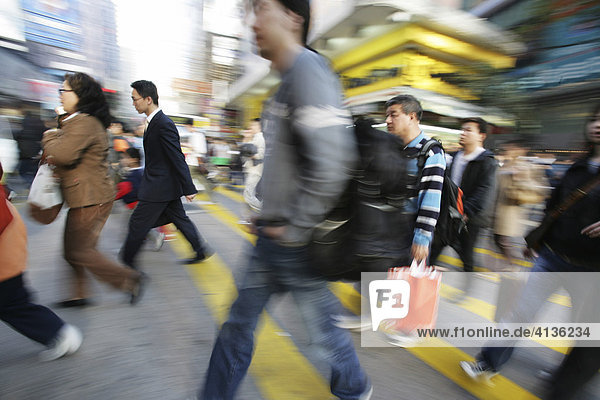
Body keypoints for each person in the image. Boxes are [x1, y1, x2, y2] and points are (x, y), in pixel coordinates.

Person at [199, 0, 371, 399]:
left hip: (294, 243)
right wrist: (262, 206)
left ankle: (355, 386)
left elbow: (333, 161)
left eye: (261, 8)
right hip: (272, 237)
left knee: (322, 332)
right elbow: (283, 161)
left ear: (293, 17)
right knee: (238, 326)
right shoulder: (285, 83)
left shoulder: (309, 71)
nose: (252, 21)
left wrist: (293, 227)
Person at [460, 104, 600, 387]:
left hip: (592, 268)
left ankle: (568, 378)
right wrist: (538, 242)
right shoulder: (578, 166)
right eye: (596, 118)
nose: (598, 124)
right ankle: (487, 363)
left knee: (581, 330)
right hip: (552, 257)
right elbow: (553, 207)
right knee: (520, 312)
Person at [334, 96, 446, 331]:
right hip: (387, 224)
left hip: (410, 227)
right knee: (378, 271)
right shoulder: (391, 146)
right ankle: (376, 315)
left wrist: (422, 238)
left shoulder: (430, 152)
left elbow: (431, 197)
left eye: (394, 114)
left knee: (407, 279)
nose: (388, 120)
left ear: (412, 116)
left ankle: (410, 327)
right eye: (387, 115)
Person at [42, 73, 145, 307]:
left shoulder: (85, 122)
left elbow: (62, 154)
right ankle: (78, 293)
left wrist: (49, 136)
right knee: (73, 251)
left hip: (91, 197)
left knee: (81, 251)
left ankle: (131, 279)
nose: (60, 94)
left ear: (80, 95)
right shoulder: (79, 120)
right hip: (84, 196)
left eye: (64, 90)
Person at [120, 80, 211, 269]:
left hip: (158, 187)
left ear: (148, 99)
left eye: (135, 99)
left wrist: (189, 187)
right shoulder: (152, 122)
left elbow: (176, 157)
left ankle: (127, 273)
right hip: (163, 186)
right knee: (180, 219)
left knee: (137, 224)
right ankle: (200, 250)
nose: (133, 103)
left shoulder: (163, 123)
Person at [0, 165, 82, 360]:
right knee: (12, 301)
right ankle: (59, 332)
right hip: (8, 237)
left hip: (4, 243)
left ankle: (59, 333)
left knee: (11, 302)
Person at [430, 117, 497, 296]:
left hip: (470, 220)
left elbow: (484, 190)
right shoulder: (456, 157)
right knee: (433, 250)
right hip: (448, 217)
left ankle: (466, 289)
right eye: (462, 129)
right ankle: (423, 286)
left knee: (467, 256)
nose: (463, 133)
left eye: (468, 130)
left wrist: (466, 211)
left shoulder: (487, 161)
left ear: (481, 136)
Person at [115, 147, 165, 251]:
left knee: (135, 226)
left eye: (125, 158)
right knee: (136, 226)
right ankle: (142, 240)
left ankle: (154, 236)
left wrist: (117, 195)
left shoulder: (136, 174)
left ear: (134, 160)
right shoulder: (136, 172)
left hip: (135, 205)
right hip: (135, 205)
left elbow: (134, 190)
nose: (123, 160)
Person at [241, 118, 265, 220]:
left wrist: (252, 155)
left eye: (254, 125)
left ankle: (264, 211)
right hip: (251, 169)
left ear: (259, 126)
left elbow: (261, 154)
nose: (252, 127)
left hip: (255, 170)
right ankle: (248, 218)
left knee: (248, 194)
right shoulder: (255, 137)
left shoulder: (260, 138)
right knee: (248, 194)